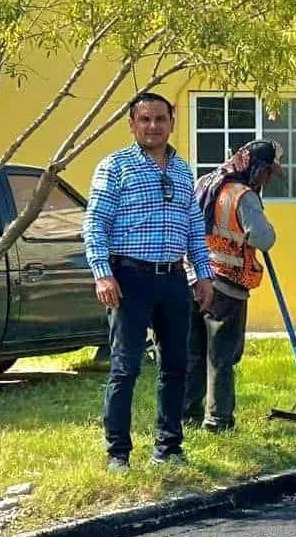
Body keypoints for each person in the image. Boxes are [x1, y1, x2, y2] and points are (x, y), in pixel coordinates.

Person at [83, 92, 213, 472]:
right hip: (129, 278)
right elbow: (95, 224)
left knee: (176, 365)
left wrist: (202, 274)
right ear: (132, 124)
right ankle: (118, 454)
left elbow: (193, 226)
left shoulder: (182, 170)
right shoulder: (115, 166)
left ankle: (168, 448)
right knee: (126, 368)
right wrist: (102, 273)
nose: (153, 126)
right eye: (145, 119)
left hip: (172, 279)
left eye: (160, 118)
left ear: (172, 121)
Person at [184, 140, 283, 432]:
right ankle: (218, 421)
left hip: (192, 281)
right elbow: (262, 238)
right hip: (226, 288)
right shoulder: (243, 195)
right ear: (257, 168)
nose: (267, 180)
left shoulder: (203, 183)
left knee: (193, 353)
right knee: (222, 358)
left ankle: (186, 416)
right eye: (268, 173)